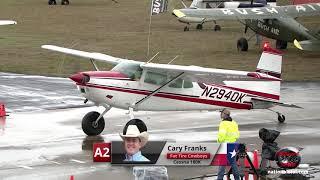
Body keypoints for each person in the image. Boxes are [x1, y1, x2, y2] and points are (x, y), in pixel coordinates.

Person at [217, 109, 240, 180]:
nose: (220, 114)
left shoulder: (223, 123)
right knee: (233, 163)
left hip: (225, 145)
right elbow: (237, 135)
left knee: (222, 164)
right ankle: (237, 178)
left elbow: (221, 135)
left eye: (221, 113)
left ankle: (219, 178)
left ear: (224, 114)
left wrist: (219, 141)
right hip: (233, 145)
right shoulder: (234, 123)